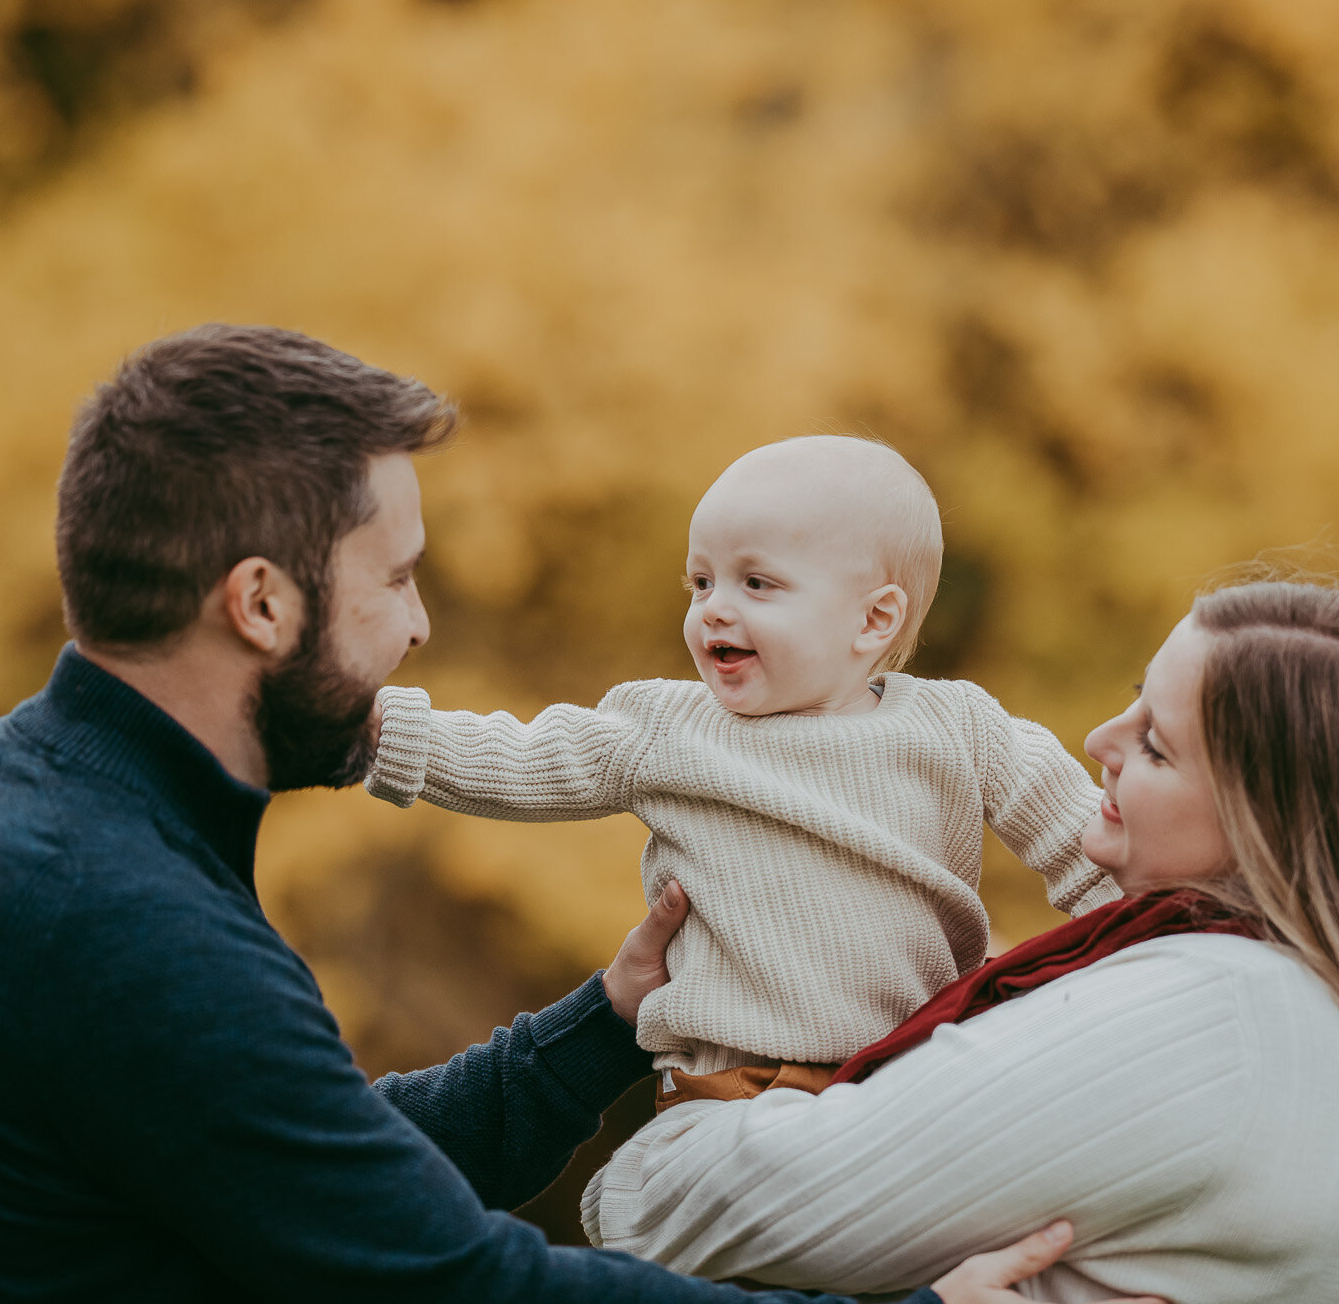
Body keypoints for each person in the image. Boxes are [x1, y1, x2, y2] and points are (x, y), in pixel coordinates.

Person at [0, 325, 1134, 1303]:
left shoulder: (38, 794)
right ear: (264, 604)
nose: (423, 623)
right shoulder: (105, 911)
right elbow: (446, 1279)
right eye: (393, 577)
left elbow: (317, 1161)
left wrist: (607, 1022)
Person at [585, 582, 1339, 1304]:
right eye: (1132, 698)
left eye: (1154, 745)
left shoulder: (1203, 1020)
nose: (1101, 736)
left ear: (1268, 830)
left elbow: (662, 1217)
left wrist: (683, 1108)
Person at [364, 435, 1118, 1109]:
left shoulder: (959, 729)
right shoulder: (671, 728)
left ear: (874, 620)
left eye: (757, 584)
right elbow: (530, 757)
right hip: (734, 1091)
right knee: (709, 1192)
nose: (713, 610)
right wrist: (371, 727)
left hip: (909, 1079)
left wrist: (1165, 936)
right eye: (701, 583)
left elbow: (1089, 842)